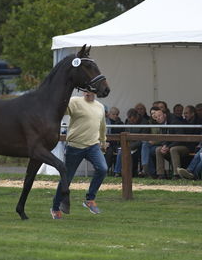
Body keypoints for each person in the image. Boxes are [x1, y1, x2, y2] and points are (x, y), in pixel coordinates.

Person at [51, 91, 108, 219]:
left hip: (93, 146)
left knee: (103, 168)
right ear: (83, 91)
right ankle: (55, 207)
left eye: (91, 90)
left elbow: (102, 126)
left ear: (95, 92)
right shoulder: (74, 101)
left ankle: (90, 199)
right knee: (67, 179)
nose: (88, 92)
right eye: (85, 90)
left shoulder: (100, 106)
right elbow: (60, 110)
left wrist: (103, 141)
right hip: (74, 146)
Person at [153, 108, 189, 179]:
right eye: (156, 117)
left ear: (165, 115)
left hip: (183, 146)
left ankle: (176, 174)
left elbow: (180, 138)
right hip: (171, 146)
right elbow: (165, 138)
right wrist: (164, 146)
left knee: (173, 149)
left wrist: (168, 147)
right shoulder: (162, 124)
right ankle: (161, 174)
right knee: (158, 149)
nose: (158, 118)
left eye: (159, 116)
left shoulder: (174, 121)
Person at [113, 108, 149, 177]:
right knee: (121, 151)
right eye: (130, 120)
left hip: (139, 146)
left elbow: (143, 138)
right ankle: (117, 172)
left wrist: (131, 146)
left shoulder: (145, 122)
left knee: (129, 152)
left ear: (137, 116)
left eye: (133, 120)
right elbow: (126, 134)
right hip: (129, 144)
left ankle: (134, 172)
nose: (131, 122)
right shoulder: (128, 121)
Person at [104, 106, 124, 174]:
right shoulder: (105, 122)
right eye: (113, 114)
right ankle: (105, 171)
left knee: (121, 151)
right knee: (108, 152)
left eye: (117, 114)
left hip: (116, 144)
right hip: (106, 143)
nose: (115, 116)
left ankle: (117, 172)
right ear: (109, 114)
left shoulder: (120, 123)